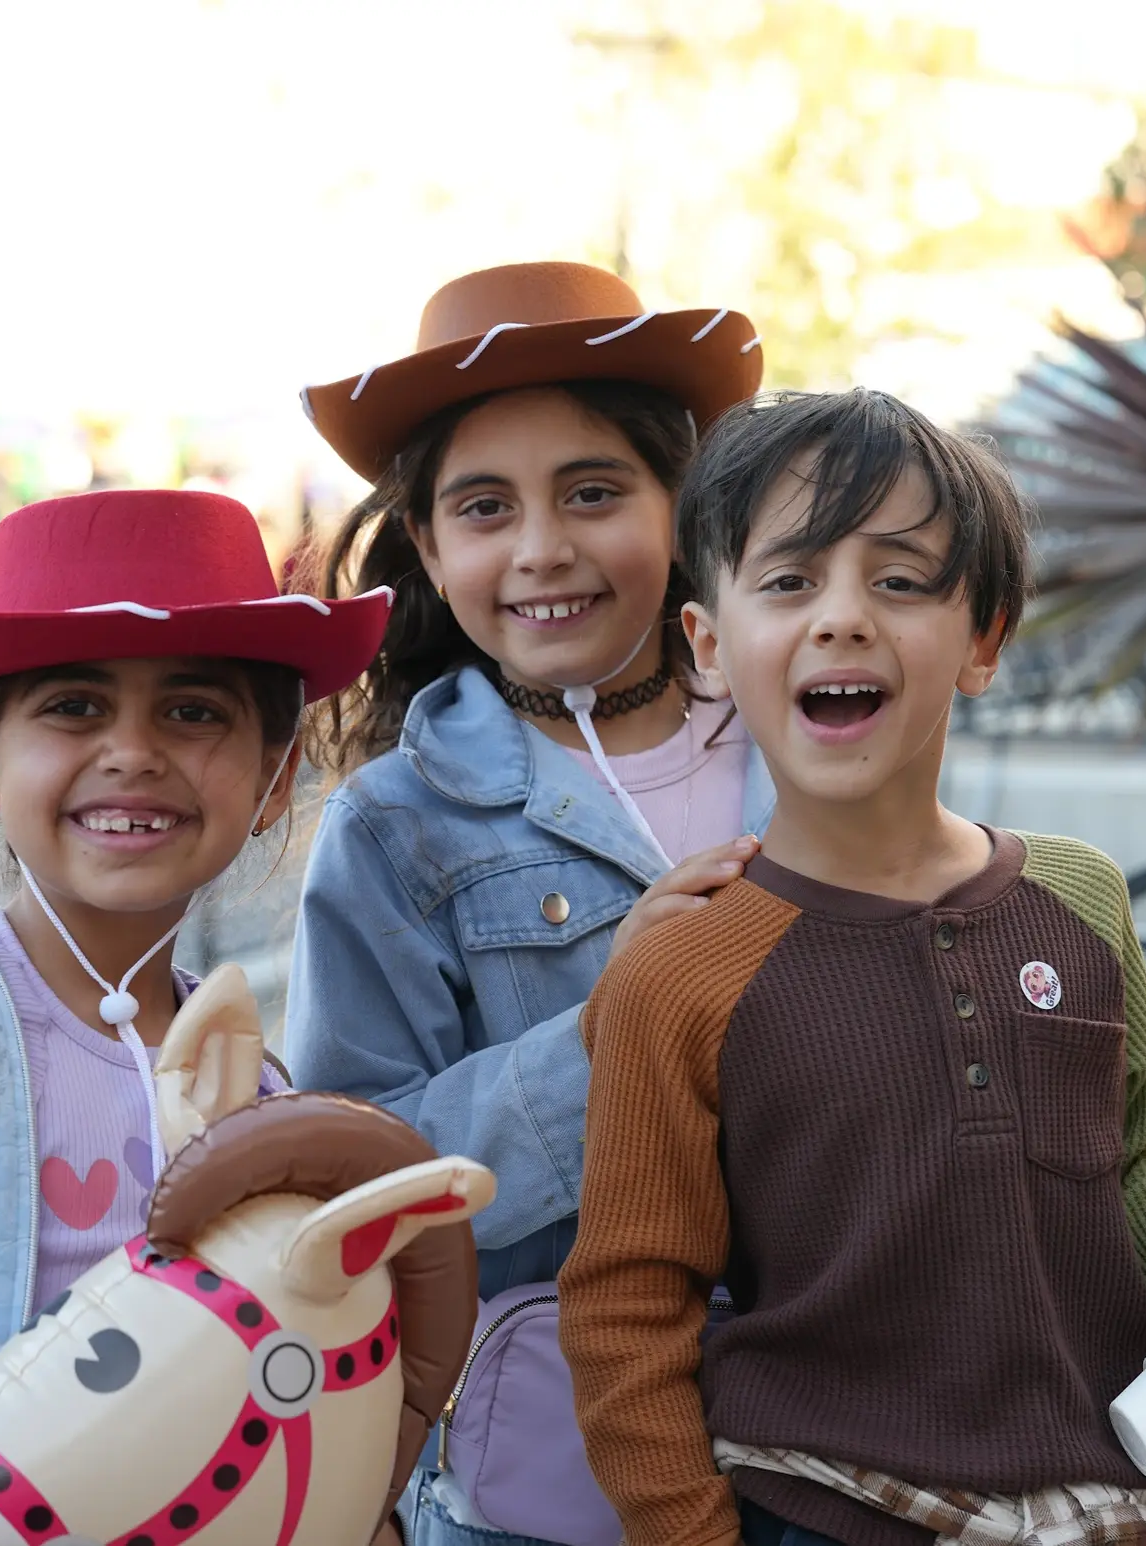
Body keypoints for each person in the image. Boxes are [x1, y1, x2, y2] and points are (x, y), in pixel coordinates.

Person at [562, 388, 1146, 1546]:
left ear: (986, 639)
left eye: (901, 580)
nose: (843, 617)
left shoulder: (1081, 898)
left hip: (1107, 1503)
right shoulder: (683, 970)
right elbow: (625, 1313)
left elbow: (1132, 1168)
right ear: (709, 644)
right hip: (822, 1506)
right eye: (790, 580)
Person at [0, 489, 389, 1545]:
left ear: (276, 778)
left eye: (195, 711)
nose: (133, 750)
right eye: (73, 706)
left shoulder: (263, 1097)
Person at [288, 261, 770, 1543]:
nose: (542, 548)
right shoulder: (396, 823)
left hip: (849, 1434)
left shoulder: (815, 740)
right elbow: (362, 1175)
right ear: (432, 549)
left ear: (686, 510)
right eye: (485, 508)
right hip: (562, 1474)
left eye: (596, 491)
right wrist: (602, 1036)